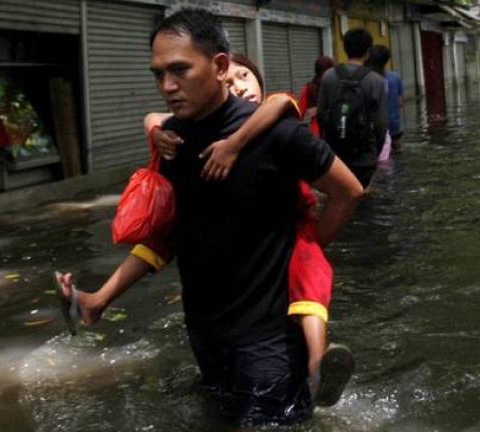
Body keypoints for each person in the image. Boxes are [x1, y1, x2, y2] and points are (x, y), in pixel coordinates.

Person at [55, 9, 363, 427]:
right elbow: (169, 234)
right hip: (204, 332)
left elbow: (347, 191)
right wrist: (98, 299)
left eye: (179, 70)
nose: (167, 86)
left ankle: (313, 366)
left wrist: (303, 251)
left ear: (220, 66)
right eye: (158, 74)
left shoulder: (277, 134)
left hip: (269, 339)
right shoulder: (171, 141)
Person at [141, 52, 348, 404]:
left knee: (309, 291)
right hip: (217, 314)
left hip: (297, 233)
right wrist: (155, 129)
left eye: (245, 77)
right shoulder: (189, 134)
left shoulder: (275, 122)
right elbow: (154, 115)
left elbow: (281, 102)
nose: (239, 86)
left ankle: (317, 362)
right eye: (232, 81)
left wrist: (235, 145)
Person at [317, 28, 387, 190]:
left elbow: (321, 114)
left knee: (337, 196)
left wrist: (328, 143)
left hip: (335, 154)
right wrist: (374, 153)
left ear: (345, 48)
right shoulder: (376, 81)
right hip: (363, 156)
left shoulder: (329, 76)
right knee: (362, 198)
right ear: (368, 52)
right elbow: (380, 124)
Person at [366, 45, 404, 153]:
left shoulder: (368, 79)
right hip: (394, 125)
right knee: (397, 153)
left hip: (375, 128)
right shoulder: (395, 77)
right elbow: (400, 102)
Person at [297, 56, 335, 136]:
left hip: (316, 133)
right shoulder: (337, 86)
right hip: (335, 131)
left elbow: (298, 115)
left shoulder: (308, 88)